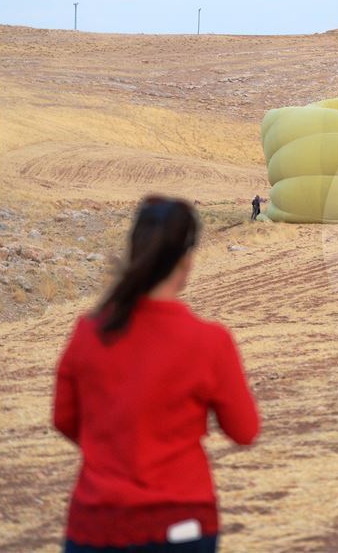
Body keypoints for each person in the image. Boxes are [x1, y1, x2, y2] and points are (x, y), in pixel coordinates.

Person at [53, 196, 260, 552]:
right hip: (180, 522)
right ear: (187, 259)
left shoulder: (88, 332)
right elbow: (244, 430)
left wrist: (114, 449)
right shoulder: (209, 341)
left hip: (97, 523)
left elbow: (64, 419)